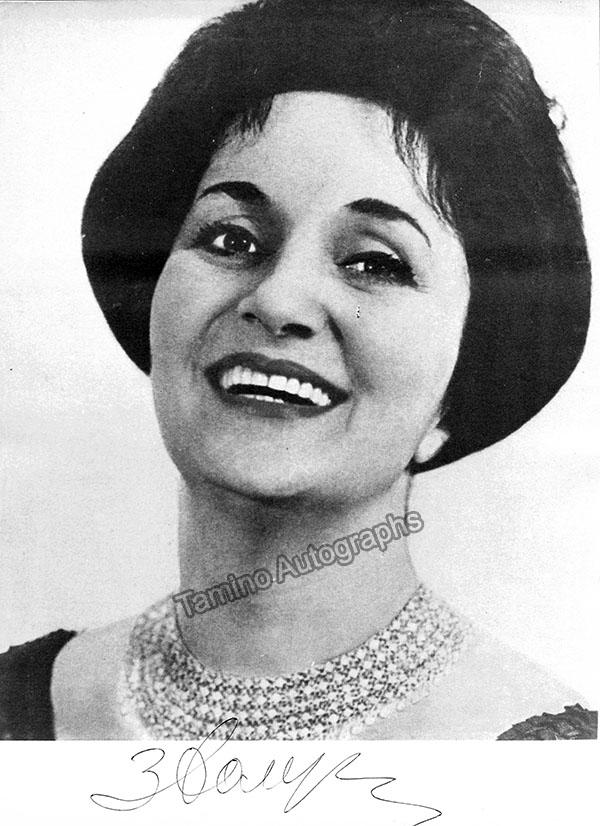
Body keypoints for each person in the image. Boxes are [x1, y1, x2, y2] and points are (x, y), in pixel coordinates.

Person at [0, 0, 595, 741]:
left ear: (461, 384)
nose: (278, 299)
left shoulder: (547, 763)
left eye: (374, 262)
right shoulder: (18, 706)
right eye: (231, 239)